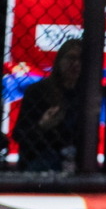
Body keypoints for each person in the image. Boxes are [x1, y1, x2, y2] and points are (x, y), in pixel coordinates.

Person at [13, 37, 83, 170]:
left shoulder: (86, 94)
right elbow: (19, 134)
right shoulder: (38, 91)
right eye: (71, 58)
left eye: (81, 59)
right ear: (59, 61)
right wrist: (42, 126)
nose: (76, 64)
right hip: (41, 159)